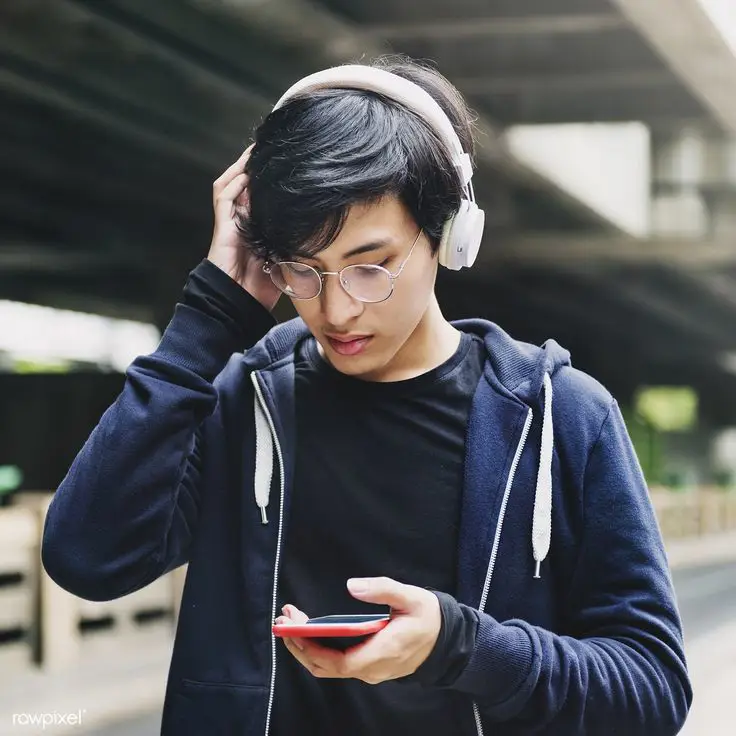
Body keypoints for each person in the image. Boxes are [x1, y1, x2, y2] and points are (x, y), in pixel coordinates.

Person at [41, 56, 692, 735]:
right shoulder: (243, 403)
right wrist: (209, 317)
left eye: (371, 266)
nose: (336, 309)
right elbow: (86, 558)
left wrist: (460, 646)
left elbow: (652, 690)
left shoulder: (564, 417)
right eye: (303, 269)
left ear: (450, 236)